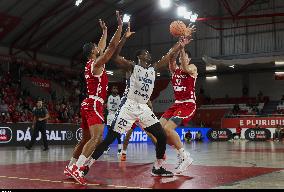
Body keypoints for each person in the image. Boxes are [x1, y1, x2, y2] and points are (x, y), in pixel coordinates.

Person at [81, 22, 192, 182]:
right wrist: (124, 39)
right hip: (129, 106)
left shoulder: (153, 69)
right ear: (139, 57)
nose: (149, 54)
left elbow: (167, 56)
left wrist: (179, 44)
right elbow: (116, 56)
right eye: (146, 53)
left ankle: (158, 166)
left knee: (161, 135)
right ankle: (87, 165)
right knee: (110, 138)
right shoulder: (131, 67)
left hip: (143, 107)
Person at [64, 11, 123, 185]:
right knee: (96, 138)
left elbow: (103, 47)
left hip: (86, 103)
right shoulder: (97, 64)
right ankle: (78, 168)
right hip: (95, 103)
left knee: (85, 138)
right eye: (96, 48)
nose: (99, 48)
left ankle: (70, 165)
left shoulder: (91, 63)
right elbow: (110, 49)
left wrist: (104, 32)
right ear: (93, 52)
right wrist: (118, 27)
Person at [159, 46, 196, 174]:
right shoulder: (175, 70)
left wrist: (183, 48)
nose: (181, 57)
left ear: (189, 58)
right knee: (159, 131)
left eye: (184, 55)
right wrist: (178, 46)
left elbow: (186, 68)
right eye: (181, 56)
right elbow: (170, 60)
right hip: (177, 104)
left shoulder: (192, 68)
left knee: (168, 129)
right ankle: (181, 153)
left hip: (187, 104)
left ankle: (185, 156)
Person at [104, 85, 122, 155]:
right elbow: (105, 105)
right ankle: (107, 147)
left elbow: (121, 107)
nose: (115, 90)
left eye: (116, 89)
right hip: (109, 116)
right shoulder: (108, 97)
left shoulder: (119, 97)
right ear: (111, 90)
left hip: (116, 116)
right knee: (109, 133)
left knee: (117, 133)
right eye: (113, 88)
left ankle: (120, 148)